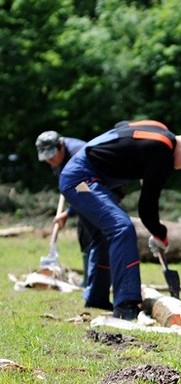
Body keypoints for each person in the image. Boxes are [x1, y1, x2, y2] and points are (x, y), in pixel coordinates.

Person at [58, 120, 181, 320]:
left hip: (87, 177)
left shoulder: (158, 130)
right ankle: (126, 305)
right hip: (81, 180)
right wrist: (159, 233)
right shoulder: (162, 151)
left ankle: (96, 298)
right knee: (121, 228)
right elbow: (147, 207)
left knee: (107, 235)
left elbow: (121, 126)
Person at [37, 131, 112, 309]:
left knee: (97, 237)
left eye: (52, 157)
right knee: (84, 235)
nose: (50, 161)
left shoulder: (79, 154)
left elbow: (85, 191)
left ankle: (95, 287)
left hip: (104, 190)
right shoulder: (55, 157)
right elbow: (70, 186)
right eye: (46, 158)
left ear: (61, 146)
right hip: (83, 191)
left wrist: (68, 213)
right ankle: (88, 280)